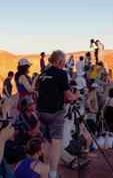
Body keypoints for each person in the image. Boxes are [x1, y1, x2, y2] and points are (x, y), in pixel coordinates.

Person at [35, 50, 77, 178]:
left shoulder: (42, 74)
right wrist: (77, 95)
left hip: (41, 112)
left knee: (47, 143)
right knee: (56, 144)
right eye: (63, 62)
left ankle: (46, 171)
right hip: (55, 113)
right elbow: (69, 96)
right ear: (59, 61)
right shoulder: (61, 73)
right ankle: (53, 174)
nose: (64, 64)